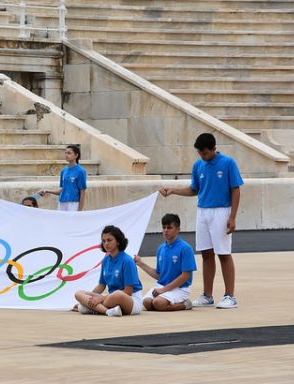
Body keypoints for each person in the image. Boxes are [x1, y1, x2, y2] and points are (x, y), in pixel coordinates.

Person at [159, 133, 243, 309]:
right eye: (200, 153)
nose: (202, 157)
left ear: (213, 149)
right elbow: (194, 189)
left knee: (223, 253)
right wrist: (173, 191)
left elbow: (235, 189)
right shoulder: (198, 165)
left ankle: (230, 295)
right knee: (206, 253)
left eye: (204, 153)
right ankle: (208, 295)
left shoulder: (228, 163)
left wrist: (232, 216)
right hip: (202, 211)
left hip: (221, 210)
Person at [74, 225, 143, 317]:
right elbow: (101, 285)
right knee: (79, 293)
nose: (106, 243)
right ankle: (108, 311)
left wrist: (99, 300)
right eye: (104, 241)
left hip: (130, 299)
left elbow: (128, 292)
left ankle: (94, 308)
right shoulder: (106, 260)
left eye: (109, 240)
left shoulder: (127, 261)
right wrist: (90, 299)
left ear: (118, 241)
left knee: (117, 295)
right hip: (110, 298)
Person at [135, 214, 196, 312]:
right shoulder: (161, 248)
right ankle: (165, 301)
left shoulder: (185, 248)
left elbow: (185, 276)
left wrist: (163, 290)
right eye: (164, 227)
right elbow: (159, 275)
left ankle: (185, 304)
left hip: (179, 288)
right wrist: (141, 263)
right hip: (161, 286)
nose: (166, 230)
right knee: (146, 303)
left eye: (169, 228)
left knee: (158, 303)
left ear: (178, 229)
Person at [41, 145, 87, 211]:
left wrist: (79, 211)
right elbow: (62, 190)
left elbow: (82, 193)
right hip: (62, 203)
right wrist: (47, 191)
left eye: (69, 153)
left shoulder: (81, 171)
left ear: (76, 155)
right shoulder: (64, 171)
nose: (66, 155)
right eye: (65, 153)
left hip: (73, 204)